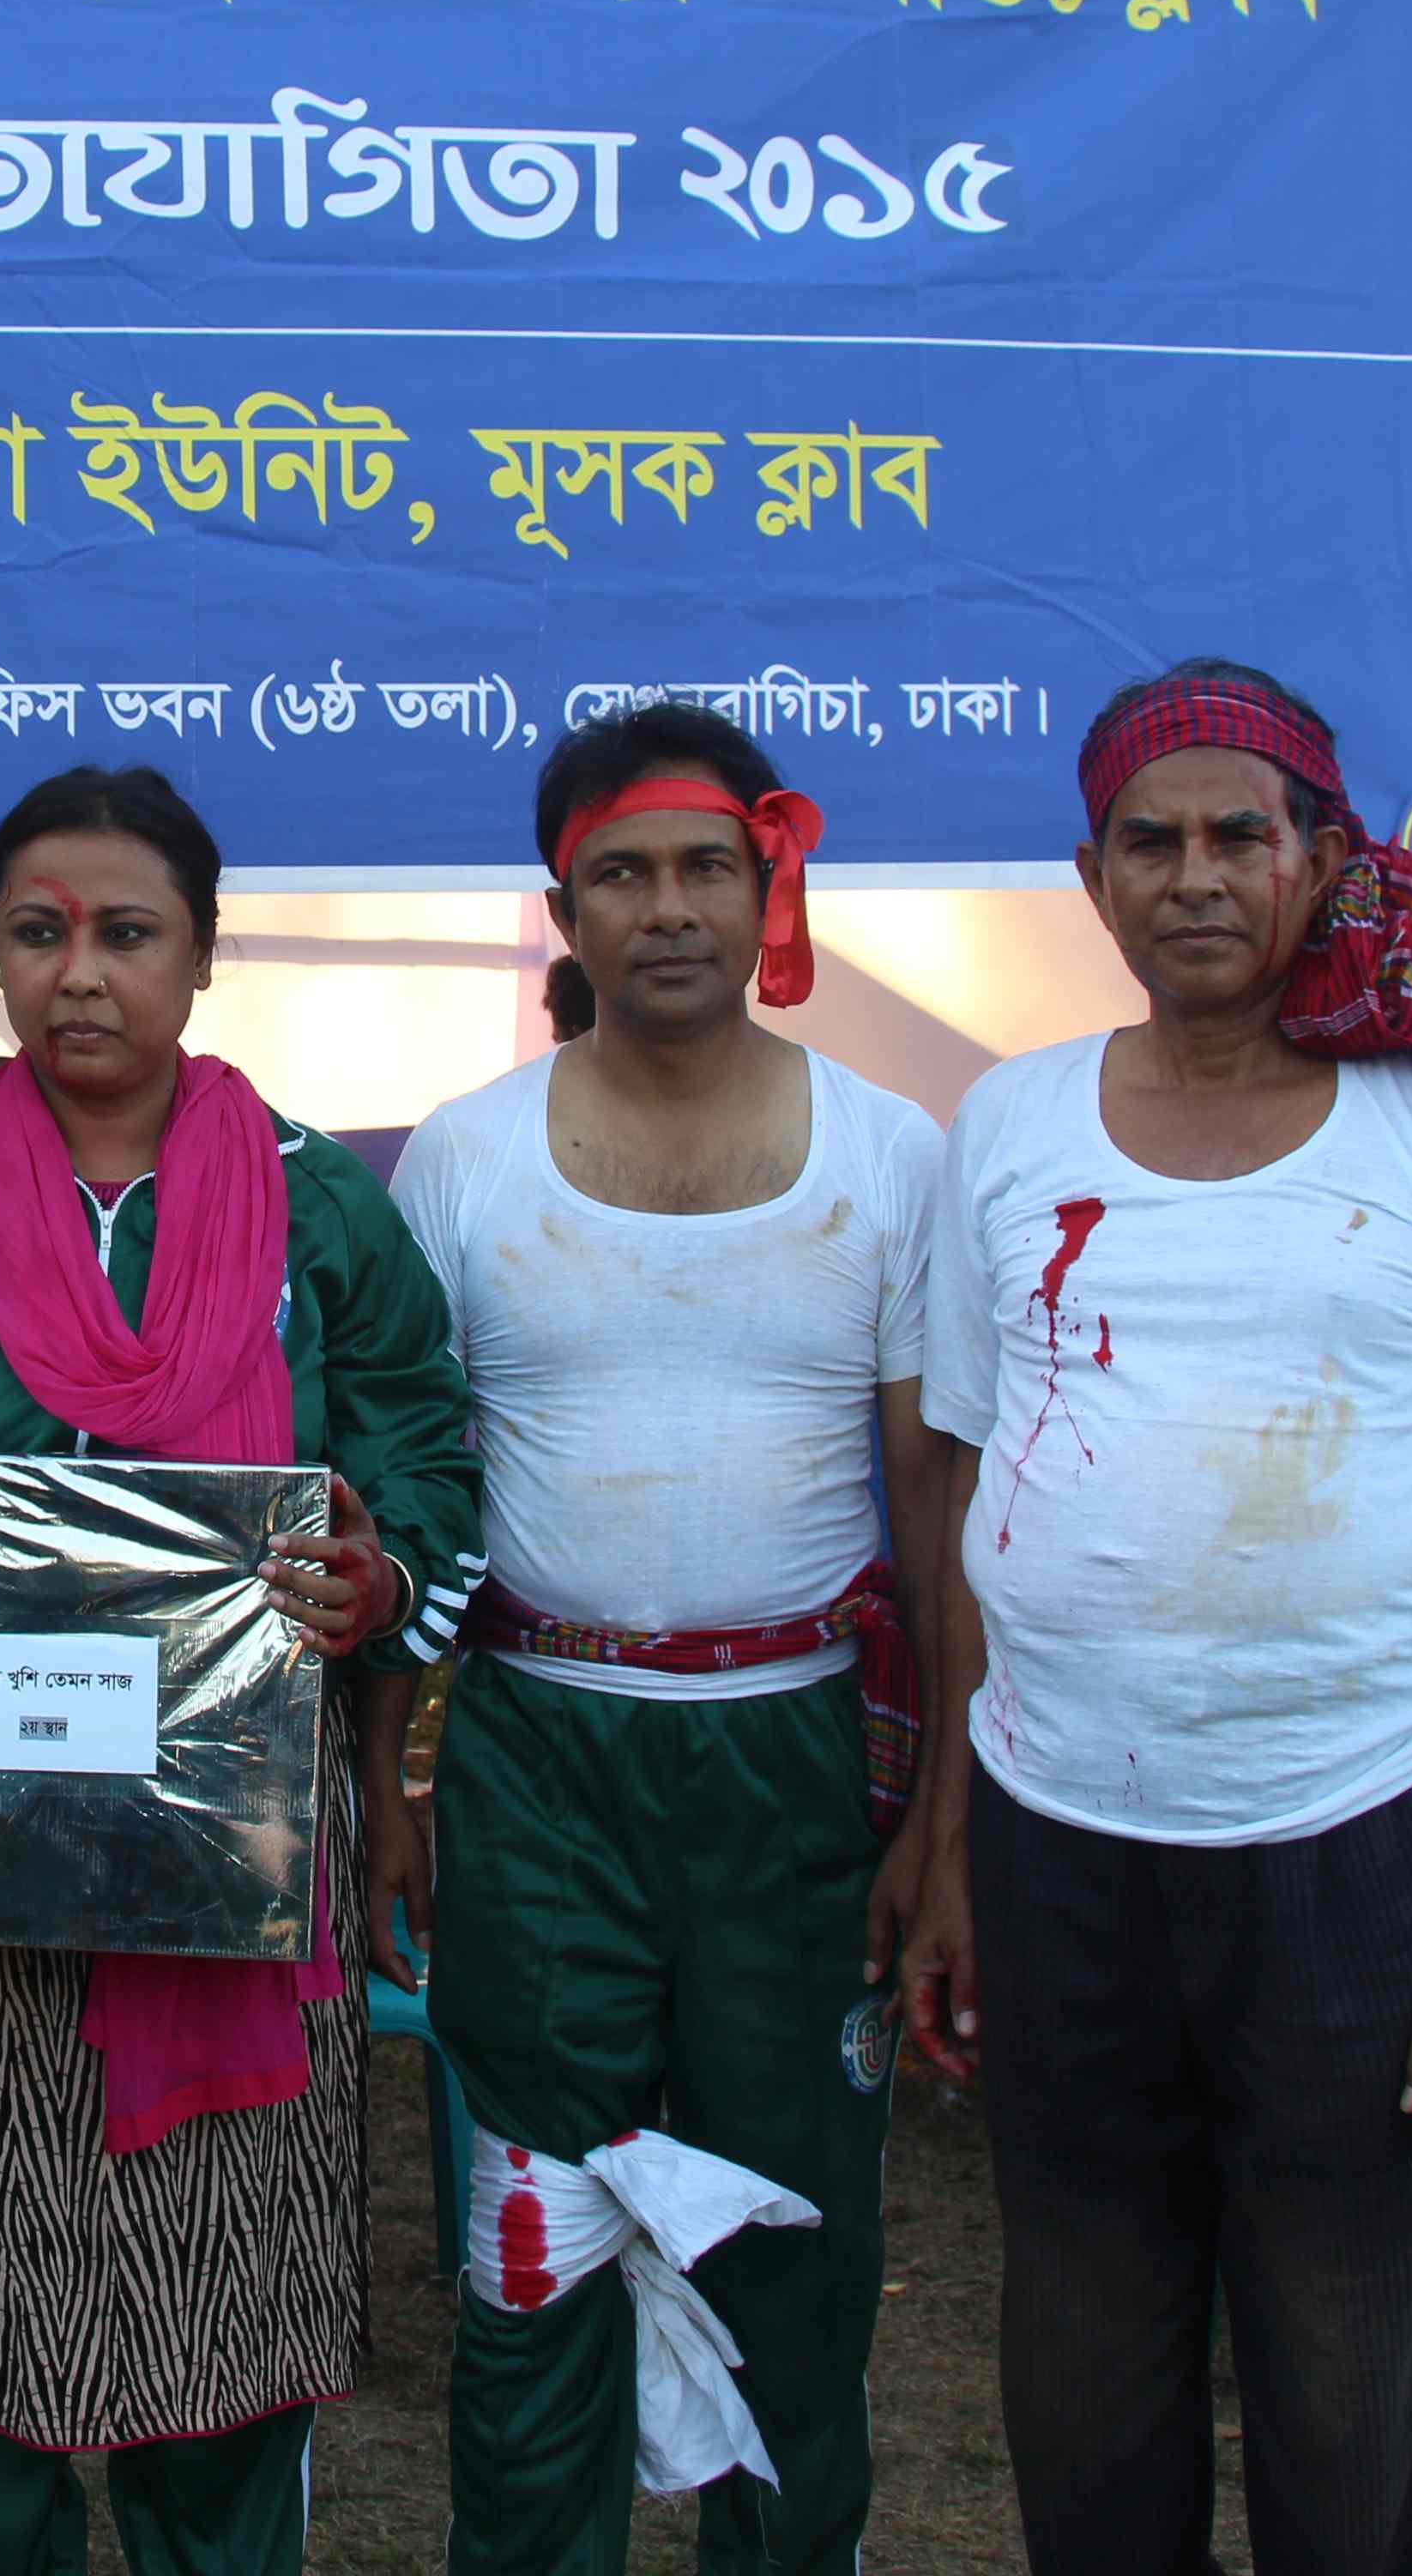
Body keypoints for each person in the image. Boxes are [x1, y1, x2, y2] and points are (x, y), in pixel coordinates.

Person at [0, 763, 485, 2576]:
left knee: (223, 2355)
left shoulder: (316, 1209)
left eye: (128, 933)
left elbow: (430, 1454)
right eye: (37, 934)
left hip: (234, 1869)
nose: (80, 974)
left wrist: (376, 1581)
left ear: (200, 956)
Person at [919, 662, 1412, 2576]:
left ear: (1321, 859)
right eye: (1151, 842)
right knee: (1084, 2367)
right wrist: (955, 1850)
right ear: (1093, 879)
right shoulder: (1010, 1125)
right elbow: (972, 1492)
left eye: (1243, 834)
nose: (1197, 876)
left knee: (1349, 2384)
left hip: (1360, 1846)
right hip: (1059, 1840)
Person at [383, 707, 963, 2576]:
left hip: (798, 1764)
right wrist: (386, 1783)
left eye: (708, 866)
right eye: (622, 875)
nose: (670, 908)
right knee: (534, 2249)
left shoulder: (893, 1153)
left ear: (766, 883)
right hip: (537, 1757)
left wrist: (945, 1823)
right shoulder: (465, 1159)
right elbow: (410, 1499)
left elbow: (935, 1516)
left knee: (794, 2244)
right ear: (565, 912)